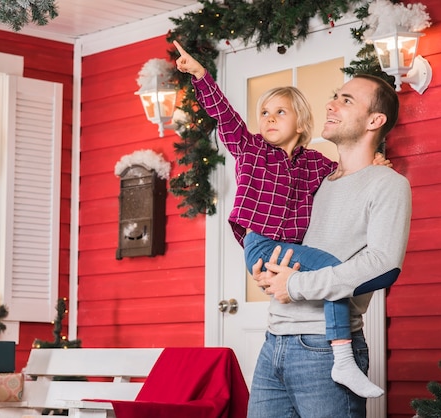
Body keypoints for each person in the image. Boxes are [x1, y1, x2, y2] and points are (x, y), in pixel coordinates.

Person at [173, 40, 392, 399]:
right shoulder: (251, 149)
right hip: (260, 243)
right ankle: (343, 357)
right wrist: (200, 75)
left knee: (329, 276)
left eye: (280, 112)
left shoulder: (317, 164)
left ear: (302, 122)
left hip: (290, 251)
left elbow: (351, 170)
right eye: (264, 113)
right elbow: (224, 116)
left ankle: (340, 357)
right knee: (331, 270)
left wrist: (377, 163)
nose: (269, 119)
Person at [249, 74, 412, 417]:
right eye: (335, 96)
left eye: (347, 100)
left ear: (374, 121)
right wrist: (270, 273)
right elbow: (284, 238)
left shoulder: (388, 184)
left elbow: (383, 265)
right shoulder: (314, 181)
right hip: (274, 341)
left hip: (325, 348)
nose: (331, 104)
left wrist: (295, 285)